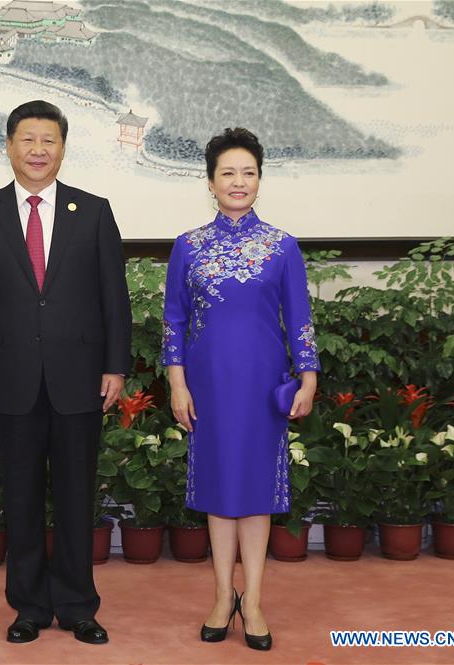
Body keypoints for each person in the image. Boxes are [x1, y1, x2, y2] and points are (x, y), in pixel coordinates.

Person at [0, 100, 131, 645]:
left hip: (80, 377)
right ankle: (28, 605)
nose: (38, 150)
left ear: (62, 147)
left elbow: (114, 300)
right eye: (27, 140)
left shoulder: (95, 210)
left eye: (48, 140)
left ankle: (79, 605)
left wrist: (116, 366)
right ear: (9, 146)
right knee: (22, 498)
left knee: (78, 496)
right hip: (10, 377)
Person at [161, 128, 320, 651]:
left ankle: (252, 600)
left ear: (259, 180)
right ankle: (219, 596)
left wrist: (309, 376)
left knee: (255, 494)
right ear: (210, 182)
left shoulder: (282, 246)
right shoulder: (188, 246)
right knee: (216, 492)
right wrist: (177, 384)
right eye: (227, 173)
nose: (238, 182)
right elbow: (174, 322)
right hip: (206, 387)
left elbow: (300, 318)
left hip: (261, 385)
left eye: (248, 173)